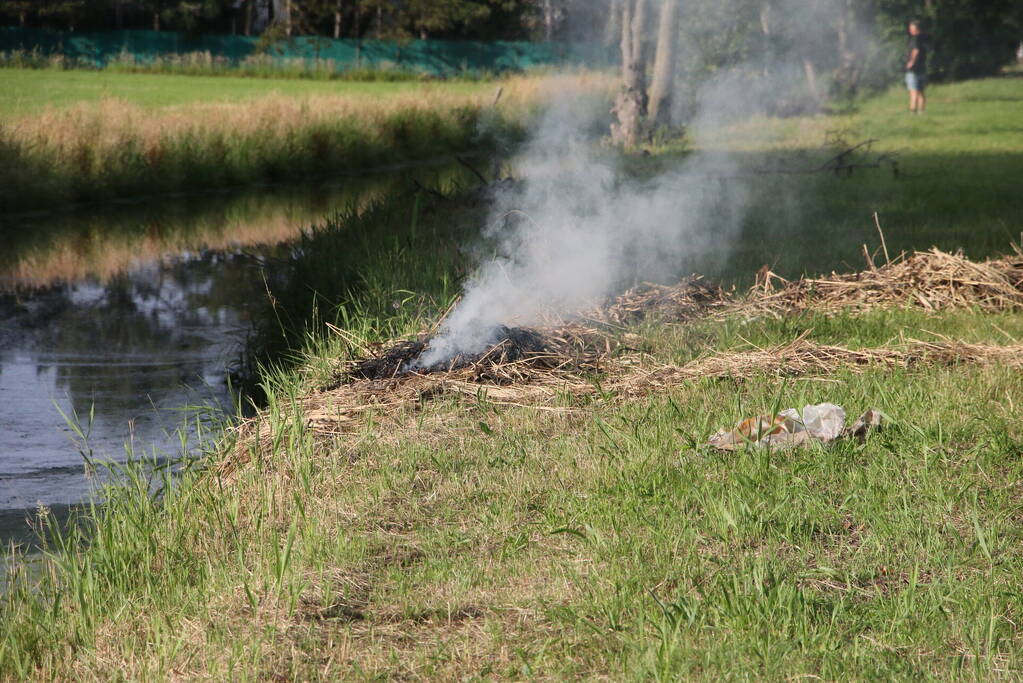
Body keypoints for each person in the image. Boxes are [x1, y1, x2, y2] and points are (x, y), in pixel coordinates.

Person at [905, 20, 928, 114]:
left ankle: (912, 112)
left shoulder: (915, 39)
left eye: (911, 28)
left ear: (916, 28)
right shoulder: (925, 38)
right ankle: (921, 112)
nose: (910, 29)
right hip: (922, 68)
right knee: (921, 92)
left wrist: (911, 62)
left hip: (913, 70)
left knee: (913, 92)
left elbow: (916, 50)